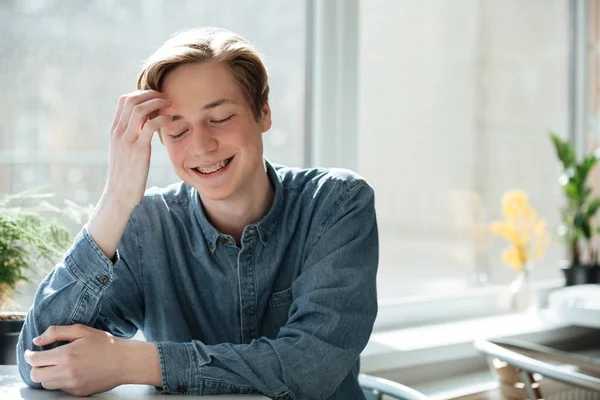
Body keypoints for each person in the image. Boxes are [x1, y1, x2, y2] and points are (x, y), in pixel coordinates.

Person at [17, 26, 378, 399]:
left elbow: (310, 366)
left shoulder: (336, 203)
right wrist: (117, 198)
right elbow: (38, 359)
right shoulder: (147, 224)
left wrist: (131, 362)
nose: (202, 146)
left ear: (264, 112)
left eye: (219, 118)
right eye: (177, 131)